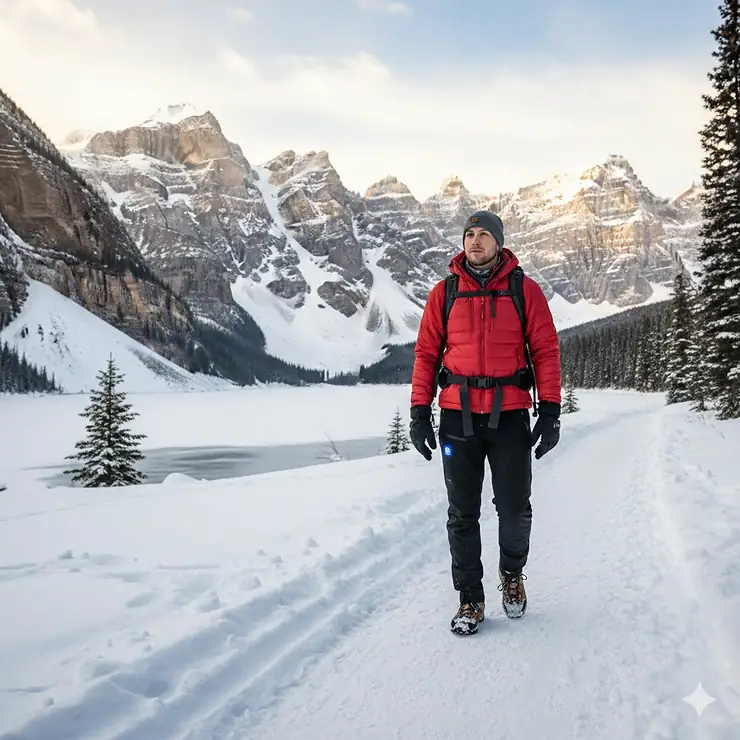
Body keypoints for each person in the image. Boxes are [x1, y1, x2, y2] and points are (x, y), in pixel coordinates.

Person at [409, 209, 561, 635]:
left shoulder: (523, 290)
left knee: (514, 509)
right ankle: (470, 600)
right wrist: (420, 411)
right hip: (457, 418)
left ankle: (511, 575)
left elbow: (546, 351)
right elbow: (425, 355)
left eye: (483, 234)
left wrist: (549, 409)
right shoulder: (445, 293)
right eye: (468, 234)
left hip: (509, 414)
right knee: (462, 512)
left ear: (499, 241)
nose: (474, 241)